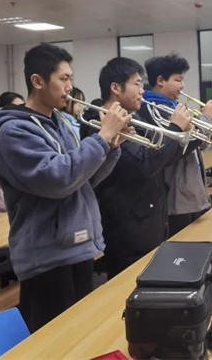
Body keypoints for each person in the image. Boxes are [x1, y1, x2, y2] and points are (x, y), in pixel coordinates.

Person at [0, 43, 130, 333]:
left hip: (76, 248)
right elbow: (58, 179)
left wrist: (112, 147)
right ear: (37, 81)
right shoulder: (14, 131)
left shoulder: (59, 122)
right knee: (54, 343)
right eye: (63, 79)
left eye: (70, 79)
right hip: (46, 257)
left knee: (80, 337)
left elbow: (83, 179)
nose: (69, 87)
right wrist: (102, 137)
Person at [80, 57, 192, 278]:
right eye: (137, 84)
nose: (142, 91)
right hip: (127, 229)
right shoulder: (100, 122)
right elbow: (144, 164)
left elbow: (161, 157)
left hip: (147, 219)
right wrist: (175, 128)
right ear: (115, 88)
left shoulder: (133, 118)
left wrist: (183, 134)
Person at [140, 54, 212, 236]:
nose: (182, 85)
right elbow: (174, 147)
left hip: (189, 190)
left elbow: (195, 145)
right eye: (178, 80)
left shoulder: (174, 106)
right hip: (176, 194)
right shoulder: (153, 107)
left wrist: (208, 127)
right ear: (160, 80)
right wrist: (206, 119)